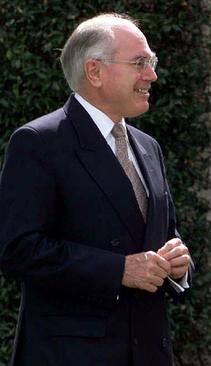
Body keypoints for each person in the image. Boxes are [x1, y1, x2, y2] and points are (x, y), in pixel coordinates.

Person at [0, 13, 192, 365]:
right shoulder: (39, 142)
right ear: (95, 71)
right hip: (72, 354)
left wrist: (178, 264)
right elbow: (18, 250)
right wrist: (117, 269)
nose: (152, 74)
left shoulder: (148, 147)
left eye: (152, 62)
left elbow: (163, 236)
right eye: (140, 63)